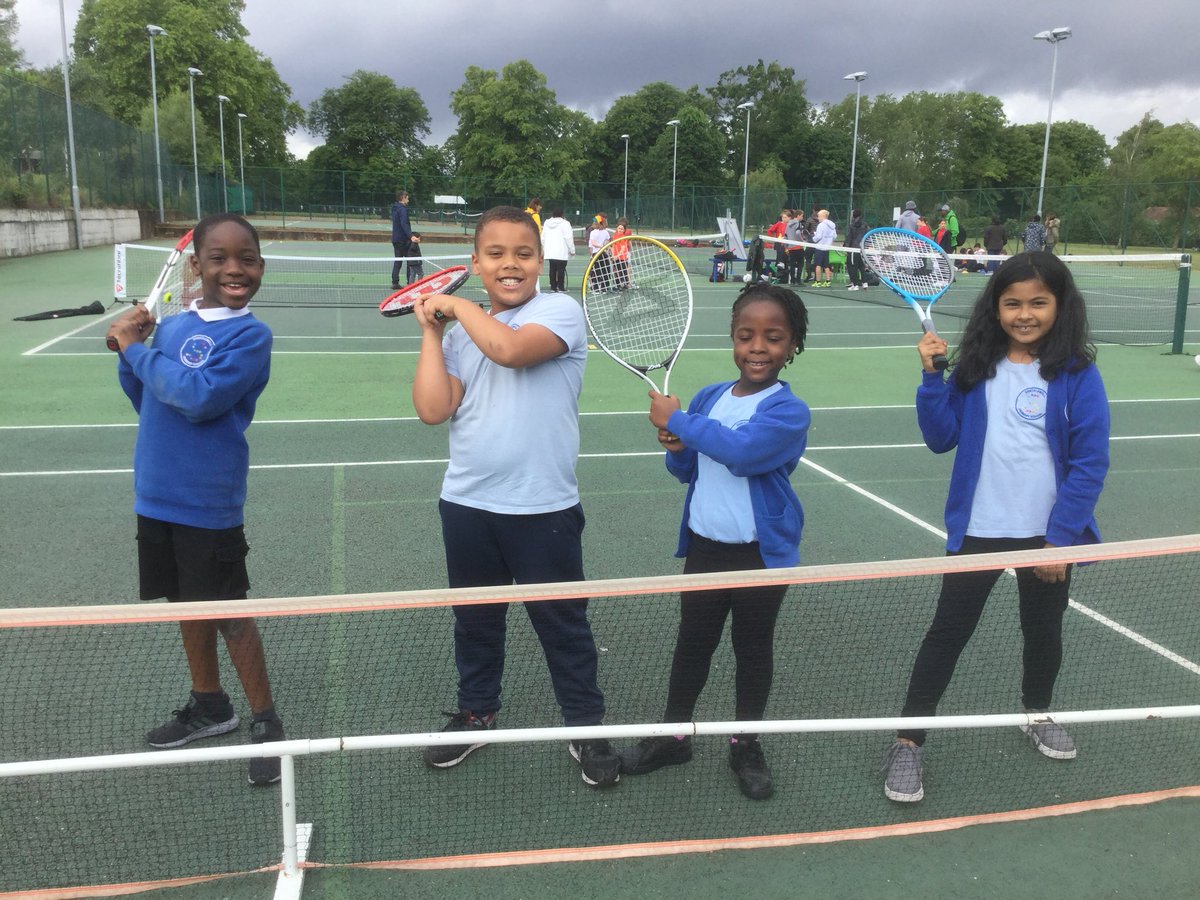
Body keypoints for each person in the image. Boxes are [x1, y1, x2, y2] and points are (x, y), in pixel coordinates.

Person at [882, 251, 1110, 804]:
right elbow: (941, 437)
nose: (1024, 314)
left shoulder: (1078, 375)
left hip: (1046, 536)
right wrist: (930, 376)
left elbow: (1089, 462)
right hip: (979, 530)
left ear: (1061, 306)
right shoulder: (974, 367)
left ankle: (1036, 712)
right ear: (996, 306)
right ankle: (909, 742)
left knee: (1043, 632)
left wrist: (1061, 540)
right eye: (1013, 303)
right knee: (947, 634)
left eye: (1038, 302)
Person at [411, 206, 620, 789]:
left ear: (541, 261)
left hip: (543, 509)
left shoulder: (559, 311)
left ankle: (584, 726)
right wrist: (432, 330)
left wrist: (457, 306)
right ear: (475, 262)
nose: (510, 264)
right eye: (496, 254)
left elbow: (509, 350)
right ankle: (478, 712)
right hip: (468, 505)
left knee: (563, 625)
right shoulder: (458, 335)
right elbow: (433, 409)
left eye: (523, 254)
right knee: (475, 623)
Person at [105, 212, 285, 787]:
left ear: (260, 266)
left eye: (247, 259)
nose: (234, 269)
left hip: (208, 501)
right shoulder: (176, 326)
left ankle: (267, 725)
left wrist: (137, 351)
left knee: (230, 613)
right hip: (156, 494)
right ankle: (210, 705)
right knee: (186, 604)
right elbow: (147, 396)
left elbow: (199, 398)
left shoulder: (250, 335)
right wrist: (128, 351)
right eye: (219, 258)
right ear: (196, 266)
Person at [619, 283, 811, 801]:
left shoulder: (788, 412)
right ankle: (674, 736)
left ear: (793, 345)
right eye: (746, 335)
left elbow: (744, 453)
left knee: (753, 650)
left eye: (774, 337)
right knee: (693, 645)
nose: (758, 347)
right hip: (706, 548)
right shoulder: (709, 397)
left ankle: (746, 743)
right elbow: (687, 469)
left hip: (760, 556)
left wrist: (679, 421)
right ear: (732, 338)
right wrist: (676, 442)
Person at [541, 208, 575, 292]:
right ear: (562, 214)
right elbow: (569, 238)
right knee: (561, 269)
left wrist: (545, 247)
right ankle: (561, 287)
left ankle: (553, 287)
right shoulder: (565, 223)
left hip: (550, 251)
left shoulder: (546, 223)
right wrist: (572, 250)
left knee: (552, 269)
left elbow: (543, 238)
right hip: (561, 251)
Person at [390, 190, 412, 289]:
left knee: (398, 261)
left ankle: (395, 282)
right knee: (410, 261)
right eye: (407, 197)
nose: (408, 199)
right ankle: (410, 283)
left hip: (395, 239)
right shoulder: (403, 209)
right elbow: (404, 224)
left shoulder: (395, 208)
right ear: (403, 198)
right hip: (403, 240)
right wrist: (411, 236)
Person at [843, 208, 869, 291]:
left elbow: (849, 237)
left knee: (852, 267)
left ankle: (855, 284)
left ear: (853, 215)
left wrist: (846, 247)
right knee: (861, 266)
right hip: (862, 249)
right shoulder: (865, 225)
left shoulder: (852, 225)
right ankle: (865, 283)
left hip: (853, 249)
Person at [811, 209, 837, 287]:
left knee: (818, 265)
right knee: (826, 265)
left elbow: (818, 236)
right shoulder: (832, 225)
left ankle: (818, 282)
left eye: (819, 216)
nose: (818, 217)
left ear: (823, 216)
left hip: (820, 247)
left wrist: (813, 239)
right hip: (827, 248)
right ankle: (828, 281)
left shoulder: (821, 225)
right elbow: (835, 236)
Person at [587, 214, 613, 292]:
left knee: (600, 271)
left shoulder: (601, 232)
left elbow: (595, 243)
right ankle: (601, 288)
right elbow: (606, 243)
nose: (593, 223)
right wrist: (603, 247)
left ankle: (600, 288)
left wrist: (603, 247)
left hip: (598, 254)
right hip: (600, 253)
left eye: (595, 222)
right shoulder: (600, 232)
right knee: (603, 271)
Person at [766, 210, 790, 283]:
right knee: (779, 261)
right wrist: (773, 239)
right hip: (780, 245)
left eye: (785, 217)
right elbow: (770, 230)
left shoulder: (790, 224)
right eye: (782, 217)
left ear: (789, 218)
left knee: (787, 261)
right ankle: (778, 276)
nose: (783, 219)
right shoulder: (779, 224)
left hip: (788, 245)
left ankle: (785, 278)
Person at [785, 208, 805, 285]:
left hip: (790, 247)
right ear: (798, 215)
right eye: (802, 216)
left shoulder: (788, 224)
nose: (802, 218)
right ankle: (798, 281)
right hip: (798, 247)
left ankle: (792, 281)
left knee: (792, 264)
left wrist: (787, 246)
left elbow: (785, 236)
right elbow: (797, 233)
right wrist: (801, 241)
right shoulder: (798, 224)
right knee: (800, 264)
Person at [611, 217, 632, 289]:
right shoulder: (614, 236)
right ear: (617, 228)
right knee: (616, 271)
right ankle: (618, 285)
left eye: (622, 229)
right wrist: (613, 255)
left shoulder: (623, 238)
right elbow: (613, 246)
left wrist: (618, 255)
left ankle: (625, 284)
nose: (620, 230)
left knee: (623, 272)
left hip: (622, 258)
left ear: (624, 230)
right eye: (619, 228)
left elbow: (623, 248)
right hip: (615, 258)